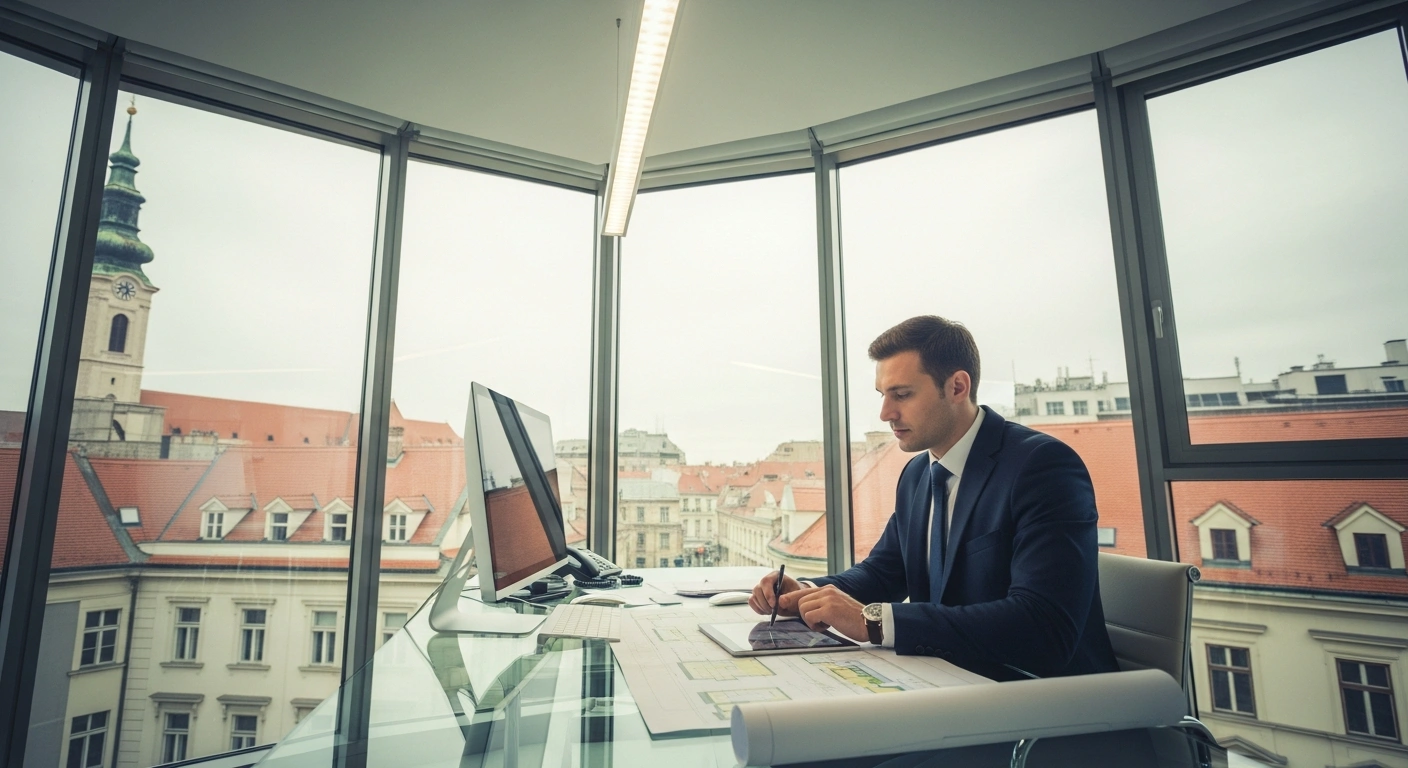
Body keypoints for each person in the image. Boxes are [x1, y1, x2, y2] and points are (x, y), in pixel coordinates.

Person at [750, 315, 1118, 681]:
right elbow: (884, 572)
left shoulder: (1042, 467)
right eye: (883, 395)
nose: (885, 413)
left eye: (902, 394)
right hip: (947, 679)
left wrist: (874, 622)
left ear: (957, 387)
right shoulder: (917, 474)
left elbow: (1043, 629)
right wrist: (807, 594)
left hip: (1043, 699)